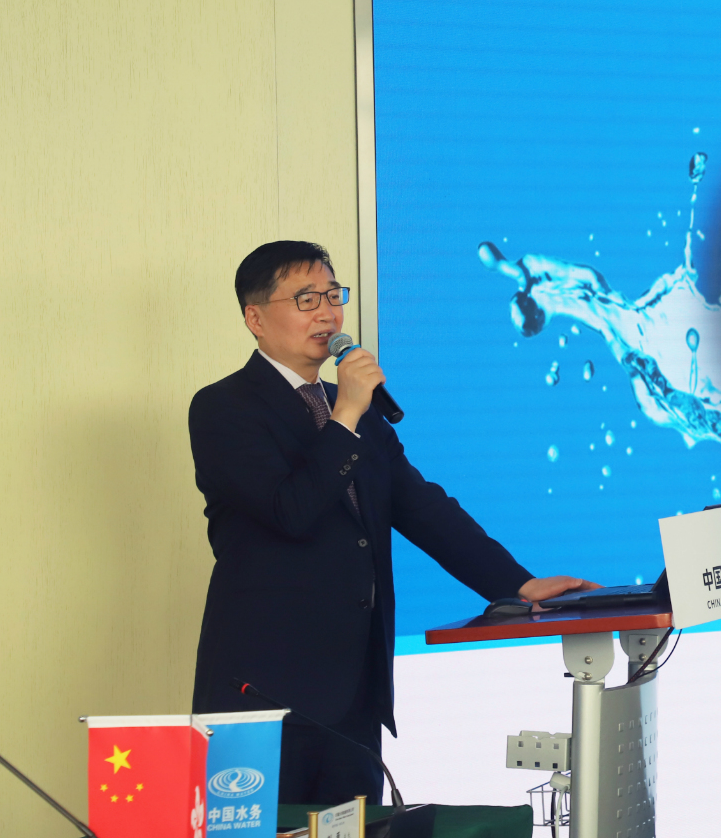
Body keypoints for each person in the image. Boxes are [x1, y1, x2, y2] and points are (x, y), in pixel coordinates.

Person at [189, 241, 598, 805]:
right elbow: (291, 512)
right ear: (255, 318)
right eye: (306, 299)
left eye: (333, 296)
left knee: (355, 835)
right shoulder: (224, 407)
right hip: (263, 693)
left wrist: (517, 583)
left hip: (355, 689)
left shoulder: (354, 411)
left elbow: (423, 509)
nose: (328, 313)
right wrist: (347, 414)